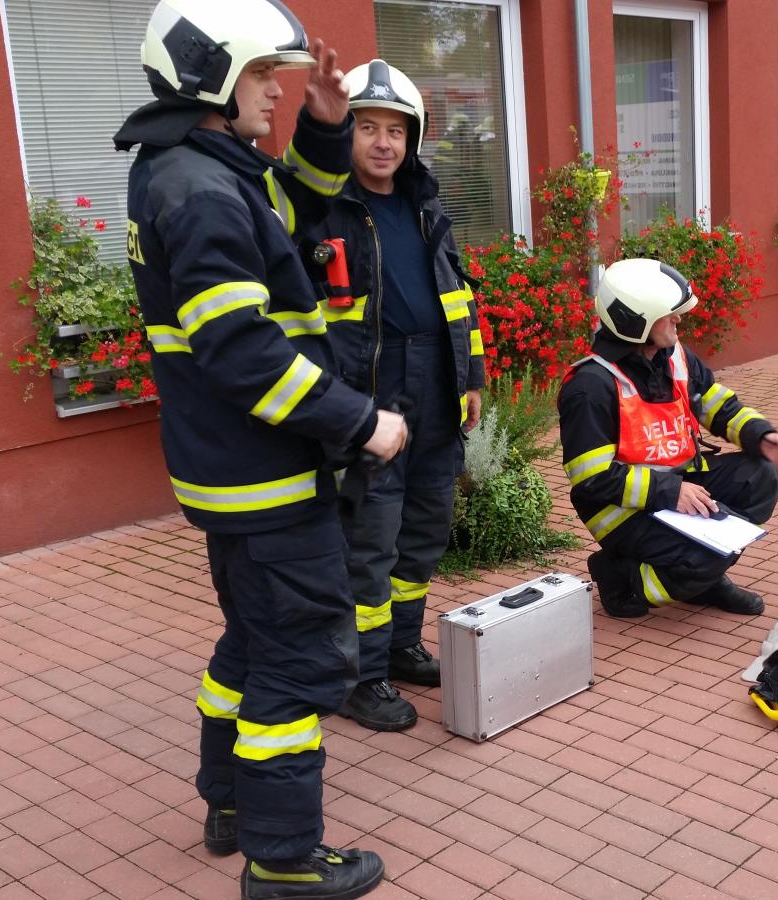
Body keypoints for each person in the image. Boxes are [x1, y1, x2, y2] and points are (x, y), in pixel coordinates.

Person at [115, 2, 403, 896]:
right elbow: (242, 352)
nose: (275, 88)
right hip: (269, 480)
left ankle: (230, 799)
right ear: (215, 77)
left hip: (230, 479)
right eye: (262, 76)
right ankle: (282, 862)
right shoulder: (198, 189)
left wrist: (323, 126)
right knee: (303, 660)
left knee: (249, 643)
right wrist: (363, 422)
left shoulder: (190, 168)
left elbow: (288, 208)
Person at [306, 59, 485, 732]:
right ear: (343, 133)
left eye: (396, 130)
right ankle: (363, 676)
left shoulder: (424, 203)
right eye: (367, 127)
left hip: (435, 385)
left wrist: (469, 376)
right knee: (370, 546)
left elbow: (457, 295)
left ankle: (403, 644)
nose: (383, 143)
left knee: (422, 534)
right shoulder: (322, 210)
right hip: (370, 397)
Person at [558, 258, 778, 617]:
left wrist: (762, 435)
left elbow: (717, 405)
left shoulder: (672, 355)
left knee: (761, 476)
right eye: (669, 314)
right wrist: (670, 492)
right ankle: (620, 576)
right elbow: (592, 479)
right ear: (637, 322)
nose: (679, 319)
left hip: (679, 484)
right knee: (705, 556)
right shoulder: (590, 386)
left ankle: (703, 578)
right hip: (621, 509)